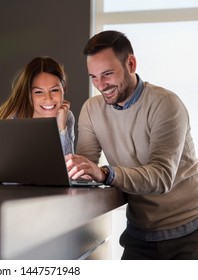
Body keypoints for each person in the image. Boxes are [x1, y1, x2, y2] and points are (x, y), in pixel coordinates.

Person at [65, 30, 198, 259]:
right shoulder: (92, 109)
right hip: (139, 232)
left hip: (187, 231)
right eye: (93, 77)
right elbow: (85, 169)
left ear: (131, 63)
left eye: (107, 74)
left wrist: (105, 173)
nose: (101, 85)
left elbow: (161, 177)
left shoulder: (165, 104)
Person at [0, 56, 75, 166]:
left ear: (64, 89)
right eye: (38, 92)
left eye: (54, 90)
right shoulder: (11, 119)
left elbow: (69, 169)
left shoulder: (66, 116)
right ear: (28, 94)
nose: (48, 99)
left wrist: (62, 129)